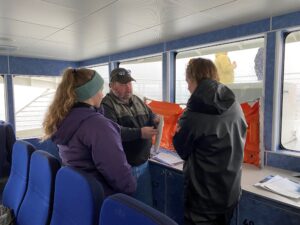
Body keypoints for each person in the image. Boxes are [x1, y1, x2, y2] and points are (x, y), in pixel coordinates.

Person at [173, 58, 247, 225]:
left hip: (202, 200)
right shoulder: (234, 104)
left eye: (188, 82)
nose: (187, 87)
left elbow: (182, 150)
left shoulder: (192, 113)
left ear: (193, 79)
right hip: (230, 192)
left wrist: (177, 132)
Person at [42, 68, 136, 197]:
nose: (102, 95)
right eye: (100, 90)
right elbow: (118, 173)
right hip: (103, 199)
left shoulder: (64, 118)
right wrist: (131, 187)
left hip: (81, 195)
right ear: (90, 93)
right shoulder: (98, 126)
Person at [101, 67, 159, 206]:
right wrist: (140, 133)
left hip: (143, 163)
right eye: (123, 85)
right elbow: (113, 132)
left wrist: (155, 119)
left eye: (129, 84)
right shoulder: (106, 105)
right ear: (111, 86)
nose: (128, 88)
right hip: (124, 168)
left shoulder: (138, 100)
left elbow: (150, 117)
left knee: (146, 208)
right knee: (127, 210)